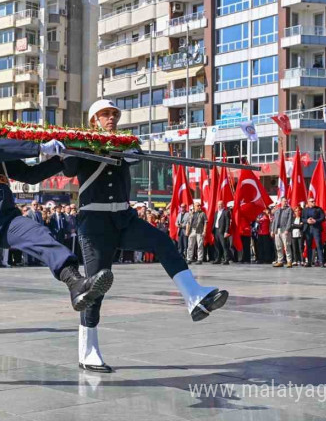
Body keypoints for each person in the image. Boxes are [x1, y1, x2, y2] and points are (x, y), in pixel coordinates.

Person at [0, 88, 112, 388]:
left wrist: (62, 157)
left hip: (3, 208)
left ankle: (75, 282)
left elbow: (28, 175)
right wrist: (38, 146)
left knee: (39, 234)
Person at [63, 99, 227, 374]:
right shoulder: (81, 143)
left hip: (124, 218)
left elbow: (135, 154)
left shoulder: (127, 142)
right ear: (93, 120)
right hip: (95, 222)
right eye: (105, 114)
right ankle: (88, 352)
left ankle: (194, 297)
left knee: (162, 242)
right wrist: (72, 148)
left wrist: (120, 149)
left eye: (114, 114)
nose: (111, 118)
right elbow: (68, 169)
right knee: (95, 289)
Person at [302, 198, 324, 267]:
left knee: (318, 245)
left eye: (314, 201)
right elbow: (302, 218)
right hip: (308, 229)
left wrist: (315, 221)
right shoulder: (305, 210)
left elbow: (322, 218)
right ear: (308, 202)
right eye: (312, 201)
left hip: (316, 228)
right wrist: (307, 221)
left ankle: (321, 262)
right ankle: (309, 262)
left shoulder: (318, 209)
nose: (313, 202)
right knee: (308, 246)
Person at [272, 199, 294, 267]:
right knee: (278, 246)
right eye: (284, 201)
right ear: (281, 202)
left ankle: (289, 261)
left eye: (286, 201)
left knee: (287, 246)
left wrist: (287, 229)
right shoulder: (277, 210)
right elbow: (274, 221)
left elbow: (290, 220)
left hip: (285, 230)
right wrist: (272, 230)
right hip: (277, 230)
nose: (286, 202)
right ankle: (280, 261)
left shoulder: (289, 209)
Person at [212, 200, 231, 265]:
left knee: (224, 245)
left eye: (220, 204)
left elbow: (227, 223)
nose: (219, 206)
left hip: (222, 231)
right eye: (218, 204)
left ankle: (226, 259)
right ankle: (218, 259)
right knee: (217, 245)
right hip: (216, 230)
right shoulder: (216, 212)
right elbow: (215, 221)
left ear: (223, 205)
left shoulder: (226, 212)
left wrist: (226, 231)